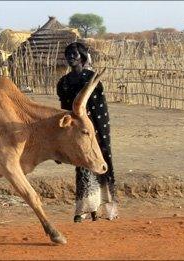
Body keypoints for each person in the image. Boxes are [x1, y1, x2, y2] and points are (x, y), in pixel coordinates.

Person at [56, 42, 118, 222]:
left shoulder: (92, 79)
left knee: (100, 163)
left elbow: (100, 109)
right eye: (68, 54)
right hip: (77, 130)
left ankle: (102, 207)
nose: (71, 57)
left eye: (74, 54)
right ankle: (84, 209)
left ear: (82, 56)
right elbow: (65, 110)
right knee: (81, 166)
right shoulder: (64, 82)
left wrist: (96, 131)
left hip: (95, 129)